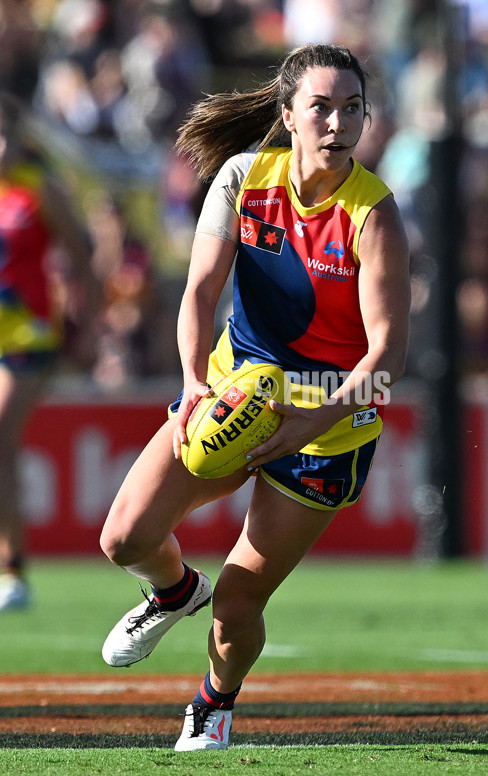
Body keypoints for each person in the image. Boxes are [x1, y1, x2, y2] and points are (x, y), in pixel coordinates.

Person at [99, 43, 411, 751]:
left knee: (238, 602)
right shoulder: (242, 177)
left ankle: (213, 703)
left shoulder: (375, 214)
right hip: (232, 393)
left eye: (353, 108)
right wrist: (193, 382)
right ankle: (175, 591)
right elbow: (198, 291)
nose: (338, 123)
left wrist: (309, 423)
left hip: (327, 430)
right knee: (124, 538)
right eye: (321, 107)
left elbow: (387, 362)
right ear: (288, 114)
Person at [0, 93, 94, 612]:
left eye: (5, 135)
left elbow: (81, 259)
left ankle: (13, 570)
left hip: (28, 337)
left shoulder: (39, 189)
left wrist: (88, 326)